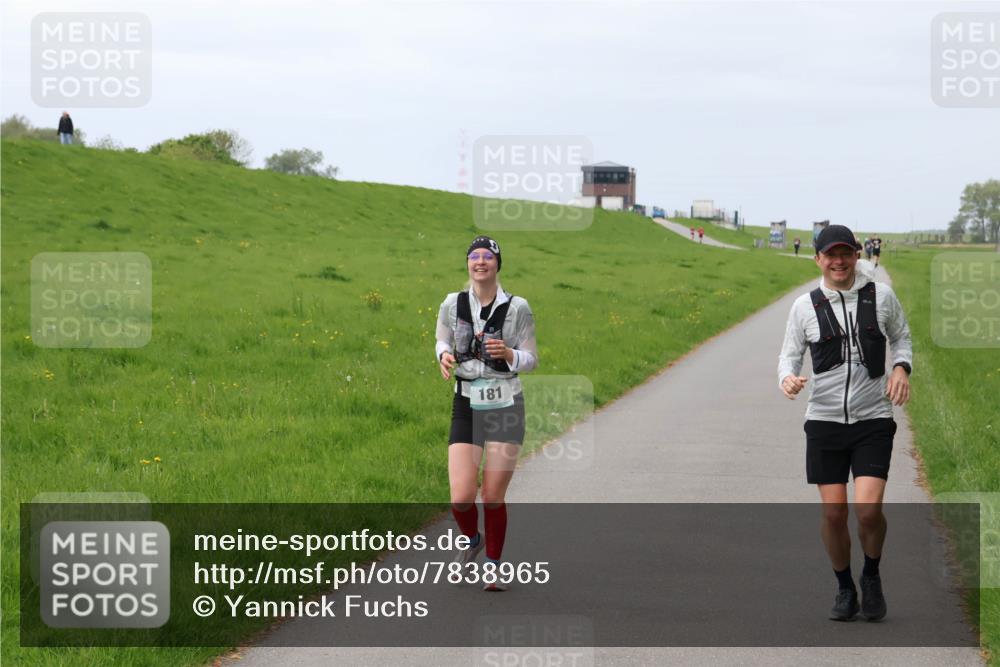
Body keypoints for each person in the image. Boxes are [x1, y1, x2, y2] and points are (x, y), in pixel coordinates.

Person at [777, 224, 912, 623]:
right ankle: (843, 586)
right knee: (835, 513)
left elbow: (902, 338)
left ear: (856, 255)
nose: (839, 261)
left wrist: (901, 369)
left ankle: (871, 576)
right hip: (824, 422)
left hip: (873, 418)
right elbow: (789, 356)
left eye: (846, 254)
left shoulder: (881, 296)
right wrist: (787, 378)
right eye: (830, 255)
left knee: (868, 511)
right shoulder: (804, 306)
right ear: (817, 259)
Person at [436, 236, 538, 591]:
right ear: (467, 263)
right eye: (474, 256)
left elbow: (532, 359)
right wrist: (443, 356)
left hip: (506, 404)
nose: (480, 262)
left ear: (497, 264)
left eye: (488, 257)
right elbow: (442, 341)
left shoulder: (518, 307)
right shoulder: (452, 303)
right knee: (461, 496)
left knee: (492, 494)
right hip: (466, 403)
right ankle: (472, 540)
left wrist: (510, 354)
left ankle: (493, 565)